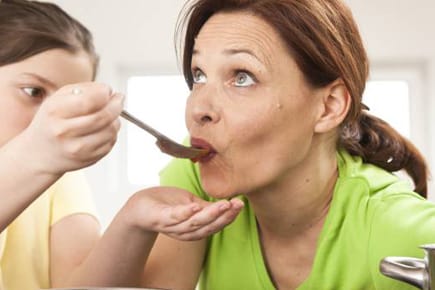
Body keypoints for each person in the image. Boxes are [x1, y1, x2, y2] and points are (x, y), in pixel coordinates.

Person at [132, 0, 435, 289]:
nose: (198, 109)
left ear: (329, 106)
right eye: (199, 74)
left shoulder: (397, 231)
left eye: (242, 78)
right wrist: (132, 221)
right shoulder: (196, 175)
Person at [0, 0, 242, 289]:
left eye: (72, 101)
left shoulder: (59, 180)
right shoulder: (42, 161)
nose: (57, 115)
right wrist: (34, 155)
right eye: (33, 91)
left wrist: (133, 220)